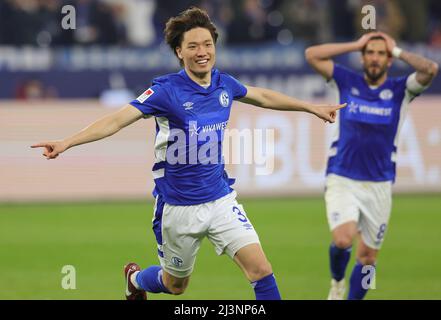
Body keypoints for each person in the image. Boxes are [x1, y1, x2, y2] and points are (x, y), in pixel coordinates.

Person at [31, 7, 344, 300]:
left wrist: (310, 107)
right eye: (193, 46)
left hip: (221, 199)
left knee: (261, 270)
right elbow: (116, 120)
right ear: (179, 52)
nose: (202, 52)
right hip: (178, 208)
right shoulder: (165, 91)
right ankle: (136, 280)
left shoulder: (224, 84)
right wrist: (67, 142)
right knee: (175, 285)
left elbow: (262, 96)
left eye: (207, 44)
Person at [305, 31, 438, 300]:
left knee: (368, 259)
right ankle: (337, 282)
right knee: (343, 240)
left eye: (380, 53)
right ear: (363, 58)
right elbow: (312, 55)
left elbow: (430, 69)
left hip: (379, 183)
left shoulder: (401, 90)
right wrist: (357, 43)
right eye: (370, 53)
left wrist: (397, 49)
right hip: (342, 176)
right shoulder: (346, 80)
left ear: (388, 60)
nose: (375, 58)